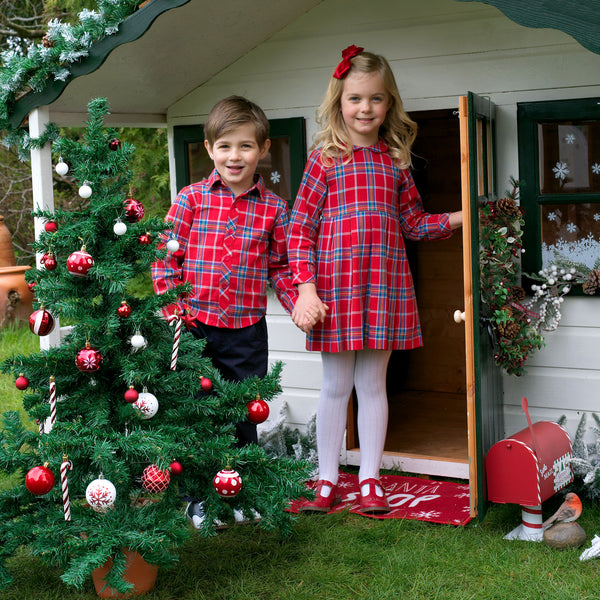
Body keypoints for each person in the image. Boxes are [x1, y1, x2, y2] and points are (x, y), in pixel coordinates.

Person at [287, 46, 463, 514]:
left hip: (383, 289)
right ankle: (326, 481)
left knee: (373, 387)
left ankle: (370, 480)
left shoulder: (395, 160)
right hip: (334, 291)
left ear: (389, 104)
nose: (365, 108)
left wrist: (462, 217)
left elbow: (414, 223)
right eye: (355, 99)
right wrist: (306, 288)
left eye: (376, 99)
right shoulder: (324, 158)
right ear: (338, 102)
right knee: (335, 387)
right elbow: (299, 229)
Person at [152, 95, 311, 528]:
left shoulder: (275, 209)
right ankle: (198, 498)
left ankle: (236, 491)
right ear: (209, 149)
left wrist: (300, 303)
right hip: (195, 327)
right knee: (198, 412)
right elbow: (164, 258)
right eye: (225, 146)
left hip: (245, 330)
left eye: (244, 146)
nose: (234, 156)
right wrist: (174, 308)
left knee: (242, 414)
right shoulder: (190, 200)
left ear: (262, 150)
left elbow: (280, 268)